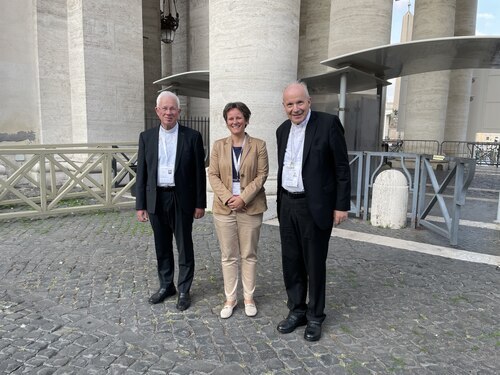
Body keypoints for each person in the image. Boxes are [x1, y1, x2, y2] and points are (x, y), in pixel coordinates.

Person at [276, 82, 351, 341]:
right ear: (284, 106)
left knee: (314, 263)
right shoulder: (282, 130)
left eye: (299, 102)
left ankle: (315, 316)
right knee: (291, 261)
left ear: (309, 102)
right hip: (287, 204)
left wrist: (341, 205)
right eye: (290, 104)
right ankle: (296, 310)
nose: (295, 108)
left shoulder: (329, 124)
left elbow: (342, 167)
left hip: (315, 205)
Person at [135, 91, 206, 311]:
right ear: (157, 111)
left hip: (181, 198)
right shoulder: (146, 137)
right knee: (162, 246)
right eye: (164, 108)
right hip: (156, 197)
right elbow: (142, 173)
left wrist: (200, 203)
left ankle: (184, 289)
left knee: (184, 245)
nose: (168, 112)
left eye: (172, 108)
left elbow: (198, 173)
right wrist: (141, 204)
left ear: (179, 111)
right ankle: (167, 285)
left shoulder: (192, 136)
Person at [208, 102, 269, 319]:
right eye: (231, 118)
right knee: (228, 255)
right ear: (226, 122)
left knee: (249, 254)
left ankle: (249, 298)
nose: (235, 122)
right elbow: (213, 175)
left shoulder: (259, 145)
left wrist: (243, 198)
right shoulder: (218, 146)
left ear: (246, 119)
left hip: (250, 207)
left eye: (239, 117)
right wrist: (228, 198)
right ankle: (230, 299)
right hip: (224, 209)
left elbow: (262, 175)